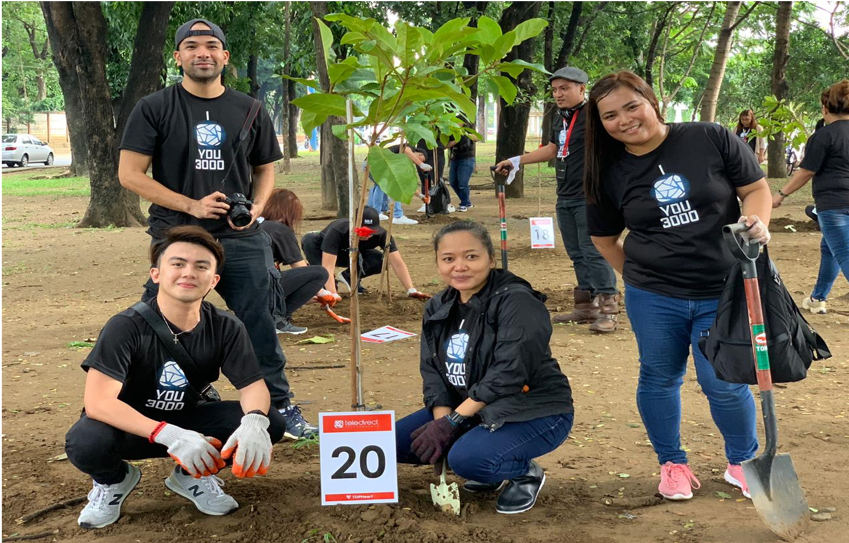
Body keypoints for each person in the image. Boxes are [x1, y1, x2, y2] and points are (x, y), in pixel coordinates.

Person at [117, 19, 317, 439]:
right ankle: (165, 403)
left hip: (241, 239)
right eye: (191, 46)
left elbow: (265, 169)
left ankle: (278, 403)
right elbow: (130, 174)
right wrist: (191, 204)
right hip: (177, 234)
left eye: (211, 46)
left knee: (259, 323)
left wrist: (258, 207)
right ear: (178, 57)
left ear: (225, 56)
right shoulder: (153, 107)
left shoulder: (249, 109)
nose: (202, 53)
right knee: (160, 323)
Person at [583, 71, 772, 501]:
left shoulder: (710, 137)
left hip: (724, 289)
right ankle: (672, 464)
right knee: (658, 376)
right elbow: (603, 238)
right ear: (601, 124)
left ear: (651, 99)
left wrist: (758, 222)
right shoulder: (607, 171)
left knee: (724, 381)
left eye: (632, 106)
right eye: (610, 115)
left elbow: (756, 188)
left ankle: (743, 461)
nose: (624, 120)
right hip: (655, 298)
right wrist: (638, 274)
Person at [65, 226, 284, 529]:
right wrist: (169, 435)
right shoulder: (125, 326)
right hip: (133, 429)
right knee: (86, 441)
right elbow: (99, 403)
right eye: (178, 263)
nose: (188, 273)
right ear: (156, 274)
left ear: (214, 280)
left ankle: (192, 476)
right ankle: (113, 481)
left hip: (191, 421)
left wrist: (255, 421)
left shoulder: (226, 326)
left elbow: (252, 386)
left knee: (270, 420)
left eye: (201, 266)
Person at [395, 221, 574, 514]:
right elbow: (433, 372)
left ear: (491, 259)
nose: (460, 267)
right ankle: (487, 460)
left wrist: (453, 423)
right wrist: (442, 423)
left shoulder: (517, 301)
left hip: (534, 410)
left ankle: (522, 471)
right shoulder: (438, 305)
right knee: (395, 444)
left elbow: (509, 373)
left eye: (471, 256)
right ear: (438, 263)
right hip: (472, 408)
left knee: (468, 460)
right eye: (449, 259)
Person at [495, 66, 620, 332]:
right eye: (554, 90)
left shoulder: (595, 115)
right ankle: (586, 307)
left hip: (592, 195)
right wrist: (516, 160)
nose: (558, 94)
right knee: (576, 253)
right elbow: (553, 149)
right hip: (565, 195)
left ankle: (608, 310)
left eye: (564, 88)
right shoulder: (561, 117)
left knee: (593, 251)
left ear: (582, 89)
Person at [772, 79, 849, 315]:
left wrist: (780, 194)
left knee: (845, 254)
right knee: (830, 249)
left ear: (826, 108)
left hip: (833, 205)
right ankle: (817, 299)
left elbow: (806, 171)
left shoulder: (823, 136)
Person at [301, 206, 431, 299]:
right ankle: (324, 283)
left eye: (371, 232)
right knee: (310, 241)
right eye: (363, 231)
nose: (367, 236)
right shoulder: (338, 231)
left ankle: (348, 276)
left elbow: (397, 263)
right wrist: (333, 294)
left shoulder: (383, 235)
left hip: (353, 253)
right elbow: (327, 266)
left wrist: (411, 290)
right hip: (323, 251)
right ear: (354, 226)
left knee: (381, 261)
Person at [258, 189, 330, 334]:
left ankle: (269, 315)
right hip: (260, 286)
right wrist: (323, 293)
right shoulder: (280, 230)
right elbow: (300, 267)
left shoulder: (257, 225)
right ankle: (278, 319)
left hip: (241, 287)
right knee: (319, 273)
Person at [366, 143, 430, 225]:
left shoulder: (402, 161)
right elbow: (406, 150)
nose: (416, 163)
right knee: (393, 186)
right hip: (376, 162)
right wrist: (421, 164)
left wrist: (421, 196)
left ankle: (374, 212)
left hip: (370, 163)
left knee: (380, 185)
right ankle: (397, 215)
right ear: (420, 154)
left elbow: (405, 184)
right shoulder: (410, 148)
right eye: (422, 160)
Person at [448, 126, 477, 212]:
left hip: (467, 159)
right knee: (453, 182)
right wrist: (457, 138)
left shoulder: (467, 130)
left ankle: (465, 203)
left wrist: (464, 135)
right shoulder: (449, 131)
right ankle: (466, 202)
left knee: (462, 183)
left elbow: (478, 137)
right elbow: (446, 145)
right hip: (455, 159)